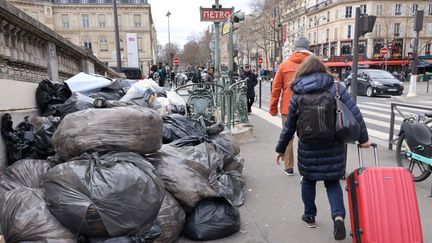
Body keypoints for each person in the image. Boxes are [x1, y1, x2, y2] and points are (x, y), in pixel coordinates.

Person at [275, 56, 370, 241]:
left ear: (303, 71)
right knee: (332, 182)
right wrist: (363, 139)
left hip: (307, 146)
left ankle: (309, 216)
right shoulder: (336, 87)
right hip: (333, 144)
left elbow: (289, 127)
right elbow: (356, 114)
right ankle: (338, 216)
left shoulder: (297, 93)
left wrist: (280, 149)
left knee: (308, 181)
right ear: (322, 69)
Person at [270, 36, 312, 176]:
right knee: (306, 137)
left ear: (294, 49)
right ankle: (306, 166)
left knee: (288, 137)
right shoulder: (313, 64)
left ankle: (289, 166)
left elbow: (276, 88)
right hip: (308, 107)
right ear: (308, 49)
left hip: (288, 107)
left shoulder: (284, 65)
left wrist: (273, 107)